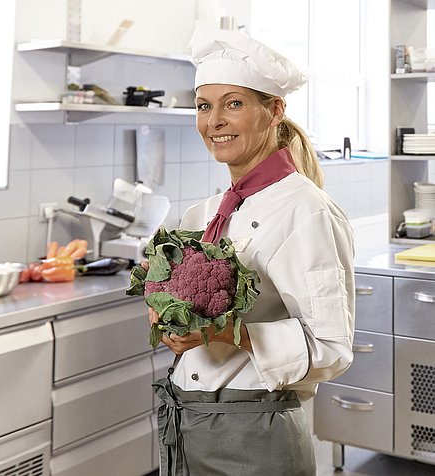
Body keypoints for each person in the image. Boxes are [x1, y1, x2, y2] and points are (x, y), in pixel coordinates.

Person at [150, 28, 355, 475]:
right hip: (186, 420)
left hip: (255, 430)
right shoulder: (201, 215)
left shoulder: (307, 211)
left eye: (234, 103)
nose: (214, 120)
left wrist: (228, 334)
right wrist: (169, 323)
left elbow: (332, 349)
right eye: (204, 106)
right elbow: (184, 316)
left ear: (274, 111)